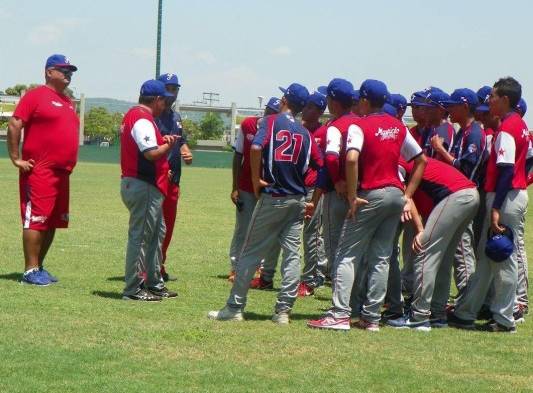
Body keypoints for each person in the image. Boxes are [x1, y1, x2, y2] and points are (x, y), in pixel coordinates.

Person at [308, 79, 426, 331]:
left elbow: (351, 159)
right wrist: (408, 195)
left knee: (346, 254)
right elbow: (421, 160)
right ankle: (371, 317)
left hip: (371, 193)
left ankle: (340, 314)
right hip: (396, 193)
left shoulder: (358, 125)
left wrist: (351, 195)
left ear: (363, 100)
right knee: (382, 257)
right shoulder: (398, 126)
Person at [208, 83, 324, 324]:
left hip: (273, 196)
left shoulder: (270, 122)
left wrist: (254, 179)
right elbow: (321, 165)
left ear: (284, 100)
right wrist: (314, 200)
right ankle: (282, 312)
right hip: (298, 199)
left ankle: (234, 308)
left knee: (250, 252)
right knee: (293, 256)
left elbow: (257, 147)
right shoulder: (305, 133)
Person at [449, 77, 529, 333]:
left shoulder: (507, 128)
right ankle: (466, 312)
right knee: (486, 256)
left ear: (505, 100)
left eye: (493, 97)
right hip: (510, 194)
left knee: (502, 256)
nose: (489, 101)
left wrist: (495, 209)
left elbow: (505, 170)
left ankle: (505, 319)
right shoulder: (519, 124)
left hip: (505, 196)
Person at [7, 54, 79, 285]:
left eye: (70, 71)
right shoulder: (36, 96)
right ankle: (29, 270)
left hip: (62, 173)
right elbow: (15, 123)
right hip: (40, 170)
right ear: (49, 72)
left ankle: (39, 266)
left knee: (52, 220)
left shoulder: (67, 101)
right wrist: (16, 158)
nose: (68, 74)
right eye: (63, 69)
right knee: (36, 219)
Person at [387, 157, 479, 331]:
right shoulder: (411, 158)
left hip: (456, 196)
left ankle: (419, 316)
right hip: (470, 194)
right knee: (443, 259)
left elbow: (406, 196)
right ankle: (437, 314)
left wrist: (421, 231)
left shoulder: (398, 162)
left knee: (424, 251)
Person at [120, 80, 179, 301]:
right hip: (142, 184)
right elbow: (151, 154)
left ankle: (154, 283)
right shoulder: (142, 117)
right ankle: (133, 288)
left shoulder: (136, 116)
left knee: (155, 235)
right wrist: (167, 146)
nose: (165, 105)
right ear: (156, 100)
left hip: (145, 184)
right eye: (164, 100)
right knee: (142, 238)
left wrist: (162, 141)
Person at [431, 88, 485, 302]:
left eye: (452, 105)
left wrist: (441, 151)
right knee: (458, 250)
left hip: (466, 195)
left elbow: (466, 171)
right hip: (458, 196)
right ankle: (465, 297)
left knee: (463, 251)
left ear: (464, 107)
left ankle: (466, 297)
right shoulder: (464, 130)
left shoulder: (474, 132)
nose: (448, 109)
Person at [228, 97, 281, 288]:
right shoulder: (248, 124)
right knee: (243, 228)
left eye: (274, 112)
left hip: (268, 188)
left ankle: (258, 269)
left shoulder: (278, 130)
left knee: (265, 230)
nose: (269, 114)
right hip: (245, 186)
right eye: (268, 110)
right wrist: (234, 187)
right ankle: (236, 266)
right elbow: (238, 155)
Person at [155, 73, 193, 282]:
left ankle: (159, 265)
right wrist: (160, 168)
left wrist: (186, 152)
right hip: (155, 179)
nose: (173, 92)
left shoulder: (175, 117)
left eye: (175, 88)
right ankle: (145, 268)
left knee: (167, 227)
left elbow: (181, 142)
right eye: (168, 88)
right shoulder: (151, 116)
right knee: (152, 226)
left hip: (174, 180)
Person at [298, 91, 328, 296]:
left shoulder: (324, 132)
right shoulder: (299, 129)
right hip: (297, 188)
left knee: (311, 235)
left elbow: (325, 166)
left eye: (309, 107)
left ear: (318, 111)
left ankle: (310, 279)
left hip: (314, 189)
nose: (305, 109)